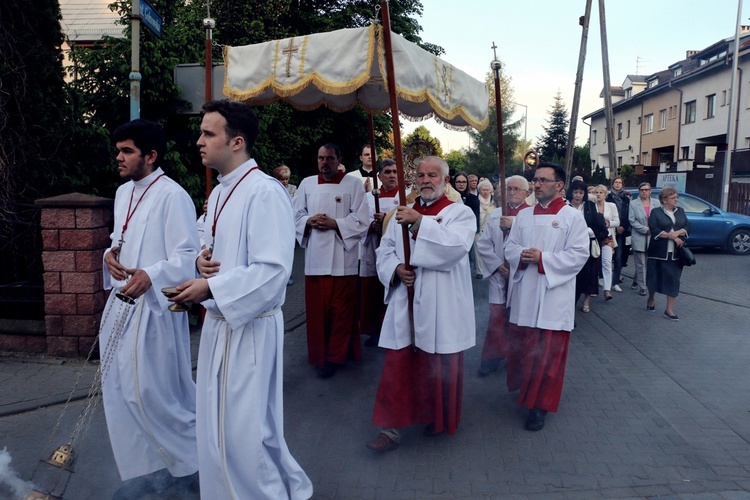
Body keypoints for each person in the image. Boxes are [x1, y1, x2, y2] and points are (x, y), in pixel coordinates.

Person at [171, 100, 313, 499]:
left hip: (250, 328)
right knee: (216, 426)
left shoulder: (265, 192)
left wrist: (212, 288)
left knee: (246, 431)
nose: (199, 140)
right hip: (219, 327)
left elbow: (273, 272)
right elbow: (210, 238)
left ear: (236, 142)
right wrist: (201, 258)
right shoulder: (220, 193)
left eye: (208, 133)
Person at [100, 119, 200, 497]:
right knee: (121, 389)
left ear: (151, 155)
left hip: (153, 314)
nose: (120, 158)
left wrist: (153, 276)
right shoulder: (124, 192)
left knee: (154, 394)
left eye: (127, 151)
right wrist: (109, 255)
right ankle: (149, 472)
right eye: (118, 151)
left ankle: (191, 466)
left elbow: (187, 254)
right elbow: (117, 240)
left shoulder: (172, 196)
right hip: (121, 304)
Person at [366, 156, 476, 452]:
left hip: (442, 302)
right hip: (406, 298)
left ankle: (436, 418)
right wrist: (396, 269)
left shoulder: (460, 213)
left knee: (437, 366)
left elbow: (454, 249)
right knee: (397, 365)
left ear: (445, 180)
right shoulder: (404, 212)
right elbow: (385, 249)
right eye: (421, 175)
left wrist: (420, 225)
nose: (425, 180)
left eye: (432, 175)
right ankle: (390, 429)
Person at [505, 163, 589, 431]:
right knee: (529, 351)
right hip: (527, 293)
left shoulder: (572, 217)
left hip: (554, 296)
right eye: (535, 180)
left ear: (559, 186)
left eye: (543, 180)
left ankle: (541, 405)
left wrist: (543, 258)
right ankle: (526, 395)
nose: (536, 184)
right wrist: (520, 255)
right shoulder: (524, 216)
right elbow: (510, 246)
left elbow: (579, 255)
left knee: (549, 356)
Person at [294, 143, 370, 378]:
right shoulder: (306, 183)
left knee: (341, 312)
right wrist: (308, 221)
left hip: (342, 259)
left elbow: (362, 219)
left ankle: (337, 356)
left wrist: (335, 223)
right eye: (320, 158)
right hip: (315, 259)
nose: (324, 162)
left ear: (339, 159)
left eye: (329, 158)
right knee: (317, 312)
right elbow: (294, 214)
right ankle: (319, 357)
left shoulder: (353, 184)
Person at [360, 159, 400, 347]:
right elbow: (359, 221)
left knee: (392, 290)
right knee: (373, 291)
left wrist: (385, 221)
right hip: (372, 248)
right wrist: (371, 225)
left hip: (393, 251)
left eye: (394, 172)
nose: (392, 175)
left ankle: (393, 330)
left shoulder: (406, 197)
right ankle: (374, 331)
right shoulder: (369, 198)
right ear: (379, 176)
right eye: (387, 172)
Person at [646, 187, 689, 321]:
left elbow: (687, 226)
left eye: (676, 197)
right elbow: (654, 229)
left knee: (674, 280)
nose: (676, 200)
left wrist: (677, 233)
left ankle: (669, 309)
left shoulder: (680, 211)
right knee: (654, 278)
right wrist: (672, 237)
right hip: (658, 252)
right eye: (673, 197)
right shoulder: (655, 212)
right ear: (664, 200)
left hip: (676, 254)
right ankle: (651, 298)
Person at [567, 180, 608, 313]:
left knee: (586, 277)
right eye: (575, 192)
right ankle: (568, 309)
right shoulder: (564, 206)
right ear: (571, 192)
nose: (578, 195)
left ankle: (583, 302)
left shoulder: (589, 206)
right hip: (568, 247)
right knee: (570, 279)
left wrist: (589, 232)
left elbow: (600, 228)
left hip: (587, 247)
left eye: (581, 192)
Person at [629, 182, 659, 296]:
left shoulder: (656, 203)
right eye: (642, 190)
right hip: (639, 235)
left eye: (646, 189)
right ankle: (643, 287)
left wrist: (654, 229)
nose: (644, 192)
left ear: (650, 191)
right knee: (641, 262)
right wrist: (645, 229)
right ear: (639, 191)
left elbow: (659, 218)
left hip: (653, 236)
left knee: (647, 262)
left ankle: (636, 279)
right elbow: (632, 220)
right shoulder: (633, 204)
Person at [594, 184, 619, 301]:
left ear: (605, 194)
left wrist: (609, 223)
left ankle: (607, 289)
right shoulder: (591, 206)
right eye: (596, 192)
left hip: (607, 238)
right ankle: (592, 288)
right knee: (593, 264)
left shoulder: (611, 206)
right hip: (594, 238)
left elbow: (617, 222)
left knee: (607, 263)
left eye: (601, 192)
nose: (598, 194)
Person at [454, 172, 481, 277]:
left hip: (469, 232)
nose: (461, 184)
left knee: (469, 259)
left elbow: (476, 215)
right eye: (459, 182)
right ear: (454, 183)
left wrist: (476, 230)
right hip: (454, 234)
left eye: (464, 182)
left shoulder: (473, 199)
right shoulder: (449, 198)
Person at [607, 176, 630, 290]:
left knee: (618, 257)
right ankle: (603, 277)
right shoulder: (608, 197)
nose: (617, 184)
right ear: (612, 184)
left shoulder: (626, 199)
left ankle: (615, 281)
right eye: (616, 182)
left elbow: (628, 215)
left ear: (622, 185)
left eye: (620, 182)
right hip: (610, 229)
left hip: (621, 231)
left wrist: (623, 227)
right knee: (607, 256)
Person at [475, 179, 495, 277]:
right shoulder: (475, 200)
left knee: (491, 250)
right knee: (478, 250)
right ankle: (480, 271)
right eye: (483, 190)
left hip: (490, 229)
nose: (485, 192)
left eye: (487, 190)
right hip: (479, 228)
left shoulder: (494, 200)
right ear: (479, 190)